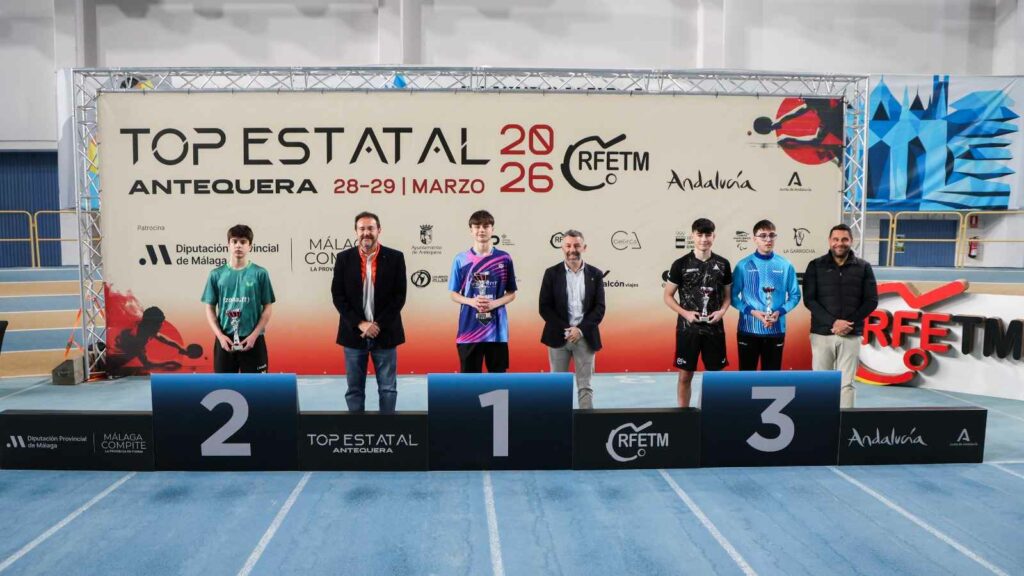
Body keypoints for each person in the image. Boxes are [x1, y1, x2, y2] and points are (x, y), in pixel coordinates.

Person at [332, 211, 407, 412]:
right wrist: (361, 324)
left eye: (371, 228)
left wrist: (377, 325)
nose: (366, 233)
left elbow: (399, 297)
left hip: (386, 333)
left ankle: (388, 428)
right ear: (356, 231)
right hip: (353, 334)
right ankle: (358, 428)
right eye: (362, 228)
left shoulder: (395, 258)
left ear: (379, 230)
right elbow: (338, 296)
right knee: (354, 390)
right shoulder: (343, 259)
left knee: (388, 389)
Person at [803, 223, 878, 408]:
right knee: (820, 385)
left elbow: (871, 301)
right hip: (821, 334)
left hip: (851, 335)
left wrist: (847, 323)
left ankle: (844, 421)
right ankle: (821, 420)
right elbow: (810, 300)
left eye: (844, 239)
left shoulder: (864, 267)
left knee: (847, 385)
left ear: (851, 241)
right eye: (835, 239)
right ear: (830, 241)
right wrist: (834, 322)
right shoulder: (815, 265)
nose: (840, 243)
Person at [663, 218, 732, 407]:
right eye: (700, 235)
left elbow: (727, 297)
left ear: (714, 236)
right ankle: (683, 415)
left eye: (708, 235)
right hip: (688, 329)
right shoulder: (680, 264)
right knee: (685, 376)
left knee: (716, 378)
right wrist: (685, 313)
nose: (704, 239)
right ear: (693, 236)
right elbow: (668, 296)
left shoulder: (723, 264)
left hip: (714, 329)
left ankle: (712, 413)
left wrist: (721, 312)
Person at [539, 230, 606, 409]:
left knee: (585, 387)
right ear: (562, 247)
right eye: (568, 245)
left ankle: (587, 423)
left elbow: (599, 308)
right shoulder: (551, 273)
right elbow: (544, 307)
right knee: (557, 388)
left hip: (585, 337)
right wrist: (567, 329)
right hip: (558, 337)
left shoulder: (596, 274)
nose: (572, 250)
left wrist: (580, 330)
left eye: (576, 245)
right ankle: (557, 422)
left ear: (584, 247)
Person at [448, 210, 518, 373]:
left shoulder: (504, 258)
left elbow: (511, 293)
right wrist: (471, 302)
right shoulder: (461, 259)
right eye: (477, 226)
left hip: (497, 332)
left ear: (492, 229)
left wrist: (494, 303)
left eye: (486, 226)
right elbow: (453, 294)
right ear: (471, 230)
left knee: (498, 380)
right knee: (470, 381)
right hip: (469, 331)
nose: (481, 230)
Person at [201, 224, 275, 373]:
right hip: (225, 341)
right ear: (228, 245)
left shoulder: (260, 273)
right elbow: (209, 307)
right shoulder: (216, 274)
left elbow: (268, 306)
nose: (238, 245)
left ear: (250, 246)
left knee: (258, 386)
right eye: (234, 241)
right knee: (224, 386)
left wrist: (254, 335)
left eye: (243, 242)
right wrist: (220, 336)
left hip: (254, 340)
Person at [731, 219, 801, 370]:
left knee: (771, 378)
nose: (768, 239)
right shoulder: (743, 265)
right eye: (763, 236)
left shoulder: (785, 265)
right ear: (754, 239)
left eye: (771, 235)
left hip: (776, 329)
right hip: (748, 329)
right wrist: (752, 312)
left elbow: (795, 295)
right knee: (746, 377)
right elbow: (732, 297)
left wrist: (779, 312)